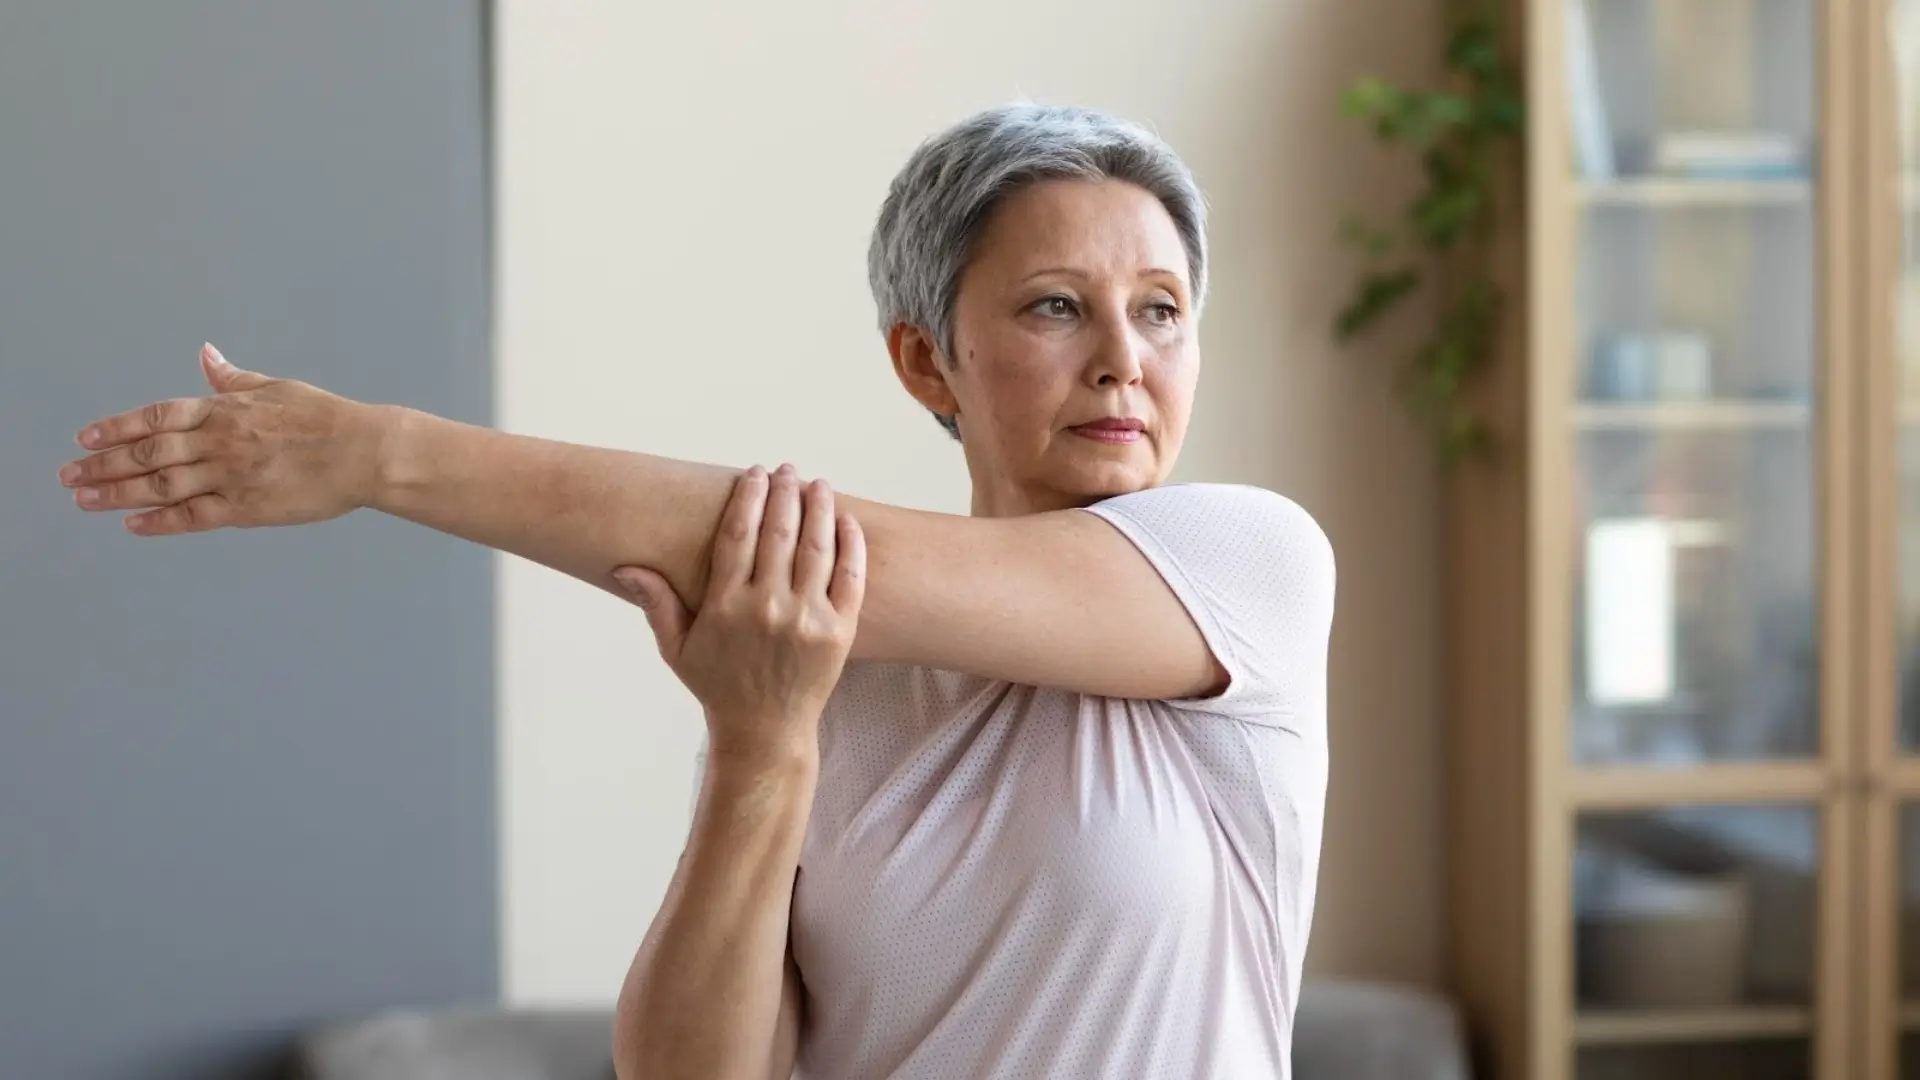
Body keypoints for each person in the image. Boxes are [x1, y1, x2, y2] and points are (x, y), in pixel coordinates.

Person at [57, 103, 1335, 1079]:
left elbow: (777, 541)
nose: (1124, 359)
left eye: (1162, 311)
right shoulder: (811, 655)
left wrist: (381, 456)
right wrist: (760, 743)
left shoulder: (1251, 567)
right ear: (925, 360)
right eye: (1060, 306)